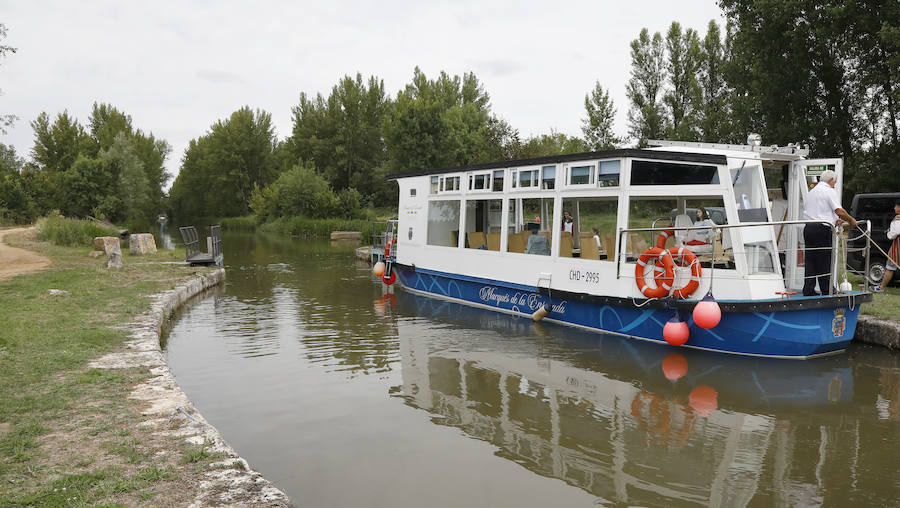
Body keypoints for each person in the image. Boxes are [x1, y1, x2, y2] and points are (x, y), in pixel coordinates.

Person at [802, 169, 858, 296]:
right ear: (831, 180)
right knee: (824, 259)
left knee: (811, 260)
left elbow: (818, 211)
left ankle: (808, 289)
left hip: (809, 228)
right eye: (835, 182)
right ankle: (827, 289)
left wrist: (833, 220)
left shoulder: (812, 192)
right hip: (822, 228)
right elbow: (839, 211)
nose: (835, 184)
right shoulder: (829, 191)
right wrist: (851, 220)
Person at [872, 200, 900, 292]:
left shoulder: (898, 218)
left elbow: (894, 233)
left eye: (896, 206)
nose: (894, 208)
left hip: (898, 246)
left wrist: (889, 232)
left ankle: (881, 288)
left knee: (890, 267)